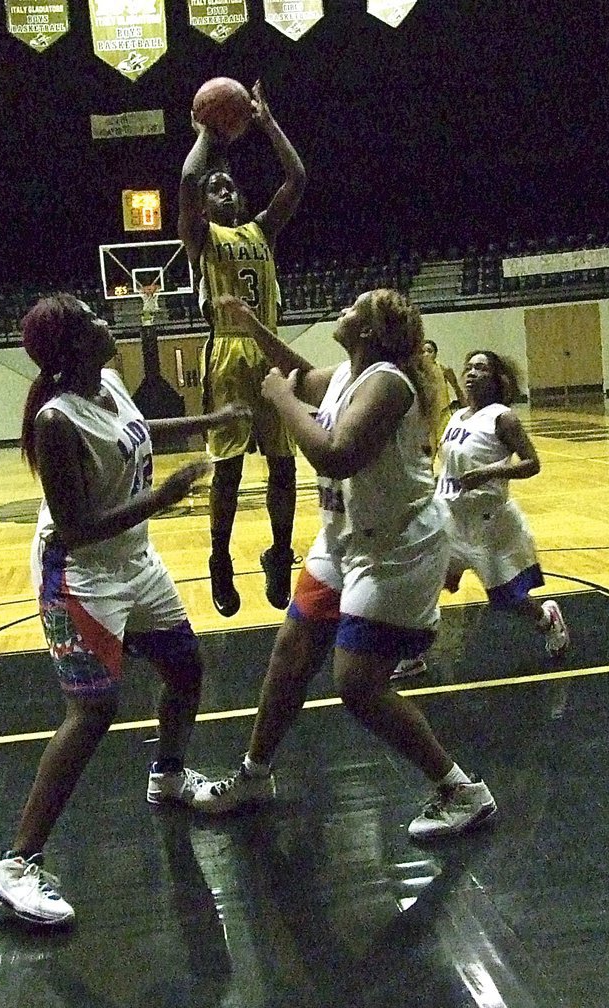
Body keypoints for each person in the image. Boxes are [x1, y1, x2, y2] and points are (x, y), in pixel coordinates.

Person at [192, 288, 498, 841]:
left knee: (357, 686)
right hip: (341, 542)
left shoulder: (387, 383)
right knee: (290, 655)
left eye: (354, 308)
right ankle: (255, 774)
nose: (342, 311)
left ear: (371, 332)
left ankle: (461, 790)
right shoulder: (345, 374)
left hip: (395, 550)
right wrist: (250, 326)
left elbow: (335, 452)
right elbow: (300, 373)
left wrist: (281, 403)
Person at [0, 294, 249, 926]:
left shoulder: (107, 381)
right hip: (80, 575)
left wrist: (212, 418)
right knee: (94, 711)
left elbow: (135, 429)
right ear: (73, 345)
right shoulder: (56, 421)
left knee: (185, 668)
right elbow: (74, 529)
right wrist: (165, 495)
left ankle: (168, 775)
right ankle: (16, 866)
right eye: (91, 318)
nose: (107, 321)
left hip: (135, 561)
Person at [177, 80, 306, 618]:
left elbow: (297, 178)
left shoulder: (262, 231)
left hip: (271, 353)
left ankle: (279, 553)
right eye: (216, 187)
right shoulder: (200, 237)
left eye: (230, 185)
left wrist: (268, 123)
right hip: (228, 355)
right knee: (228, 468)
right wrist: (208, 131)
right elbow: (188, 176)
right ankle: (219, 559)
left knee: (283, 466)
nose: (223, 189)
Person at [393, 350, 569, 681]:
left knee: (509, 600)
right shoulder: (457, 416)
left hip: (490, 523)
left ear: (497, 379)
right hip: (449, 517)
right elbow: (447, 463)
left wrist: (488, 473)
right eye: (469, 367)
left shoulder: (504, 419)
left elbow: (533, 463)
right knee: (423, 583)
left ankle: (547, 618)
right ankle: (412, 654)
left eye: (481, 368)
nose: (472, 373)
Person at [421, 338, 464, 452]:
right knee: (429, 448)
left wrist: (465, 405)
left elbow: (457, 388)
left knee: (445, 445)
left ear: (435, 354)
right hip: (426, 416)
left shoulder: (443, 369)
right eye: (422, 351)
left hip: (443, 412)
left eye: (429, 351)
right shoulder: (417, 371)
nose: (426, 354)